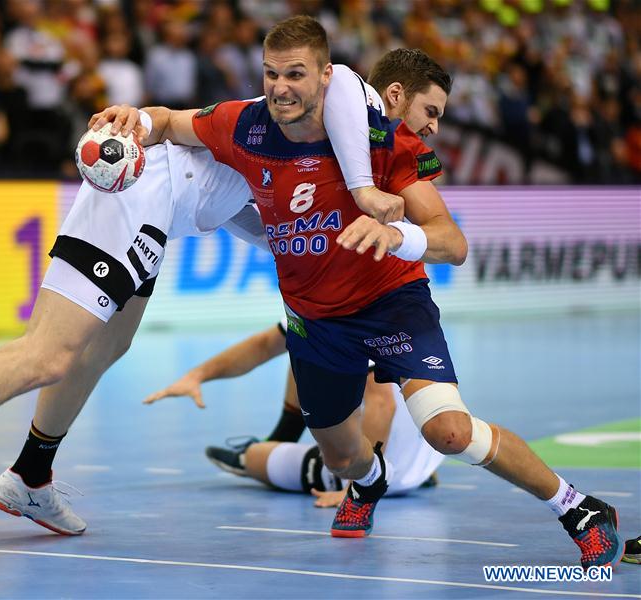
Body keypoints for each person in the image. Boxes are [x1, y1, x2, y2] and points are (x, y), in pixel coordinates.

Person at [92, 17, 624, 569]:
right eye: (272, 74)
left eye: (295, 74)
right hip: (316, 322)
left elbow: (454, 243)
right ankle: (368, 484)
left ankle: (578, 509)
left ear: (326, 77)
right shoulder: (243, 126)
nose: (280, 87)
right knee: (343, 459)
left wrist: (397, 234)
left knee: (449, 430)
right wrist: (136, 119)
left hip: (393, 302)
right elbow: (170, 122)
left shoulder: (385, 143)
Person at [0, 53, 398, 563]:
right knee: (46, 355)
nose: (431, 131)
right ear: (393, 97)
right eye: (429, 113)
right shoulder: (348, 99)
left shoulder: (314, 149)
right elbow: (333, 88)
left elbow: (261, 217)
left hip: (164, 215)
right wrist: (141, 120)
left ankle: (30, 473)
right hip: (140, 192)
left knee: (109, 344)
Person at [143, 320, 444, 505]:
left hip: (385, 475)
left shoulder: (336, 308)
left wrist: (357, 489)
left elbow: (381, 403)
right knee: (302, 343)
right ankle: (409, 470)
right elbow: (264, 345)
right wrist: (198, 375)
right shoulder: (369, 296)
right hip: (429, 451)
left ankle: (279, 445)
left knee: (257, 458)